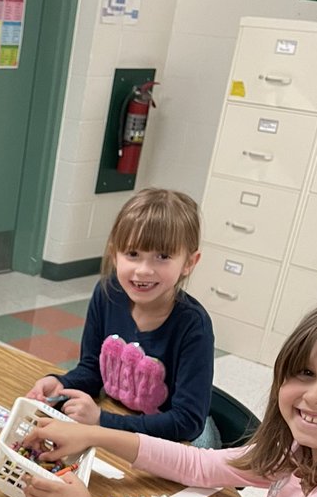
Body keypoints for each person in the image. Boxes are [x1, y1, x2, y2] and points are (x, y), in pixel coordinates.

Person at [22, 296, 317, 497]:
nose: (315, 395)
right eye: (306, 372)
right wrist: (92, 434)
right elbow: (200, 465)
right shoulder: (299, 448)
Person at [28, 189, 213, 444]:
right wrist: (60, 383)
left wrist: (103, 421)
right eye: (133, 254)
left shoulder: (194, 326)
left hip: (173, 441)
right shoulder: (107, 293)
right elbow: (92, 369)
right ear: (115, 254)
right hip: (119, 425)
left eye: (163, 257)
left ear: (189, 263)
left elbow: (187, 422)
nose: (144, 270)